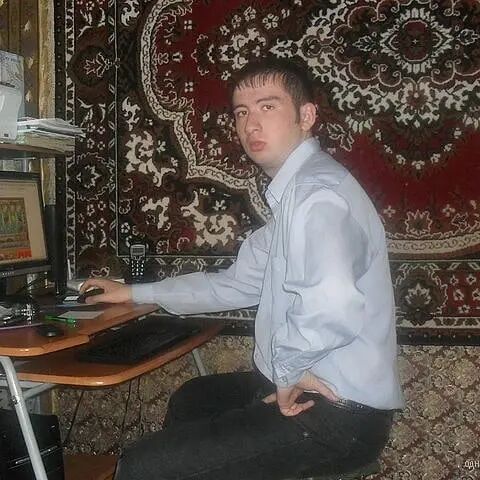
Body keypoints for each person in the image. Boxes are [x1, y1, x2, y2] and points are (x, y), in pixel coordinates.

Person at [81, 58, 404, 480]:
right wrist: (135, 293)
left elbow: (334, 303)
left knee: (141, 466)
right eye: (241, 112)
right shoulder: (296, 196)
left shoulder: (317, 196)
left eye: (268, 107)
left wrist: (287, 371)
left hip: (338, 416)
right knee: (194, 399)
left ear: (306, 116)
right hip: (317, 391)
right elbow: (235, 284)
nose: (251, 124)